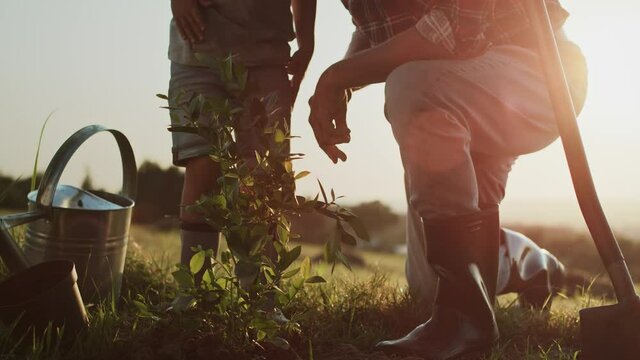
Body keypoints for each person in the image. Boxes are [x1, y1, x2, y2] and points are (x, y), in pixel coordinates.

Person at [309, 0, 587, 358]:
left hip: (534, 69)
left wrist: (337, 77)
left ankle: (464, 323)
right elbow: (375, 21)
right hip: (455, 79)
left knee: (412, 86)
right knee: (429, 289)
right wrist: (345, 79)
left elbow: (454, 32)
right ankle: (528, 264)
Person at [168, 0, 316, 269]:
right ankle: (194, 293)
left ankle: (261, 297)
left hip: (266, 56)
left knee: (262, 177)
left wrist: (307, 44)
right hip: (197, 51)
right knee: (203, 165)